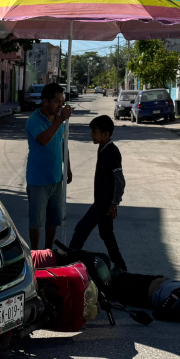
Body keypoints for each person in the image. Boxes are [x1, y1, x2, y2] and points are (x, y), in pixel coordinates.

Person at [67, 114, 126, 269]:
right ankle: (120, 266)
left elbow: (120, 181)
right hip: (101, 202)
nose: (91, 135)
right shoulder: (102, 147)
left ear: (106, 134)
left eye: (94, 132)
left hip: (103, 204)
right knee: (106, 235)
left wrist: (114, 203)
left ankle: (69, 261)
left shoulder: (112, 152)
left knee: (81, 229)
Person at [26, 82, 73, 250]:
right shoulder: (34, 120)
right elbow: (44, 140)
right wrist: (60, 120)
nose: (60, 105)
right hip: (38, 180)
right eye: (57, 101)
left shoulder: (57, 121)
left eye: (62, 101)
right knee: (36, 221)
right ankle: (35, 253)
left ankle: (48, 251)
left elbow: (62, 145)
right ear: (45, 101)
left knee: (53, 219)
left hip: (55, 178)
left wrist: (67, 168)